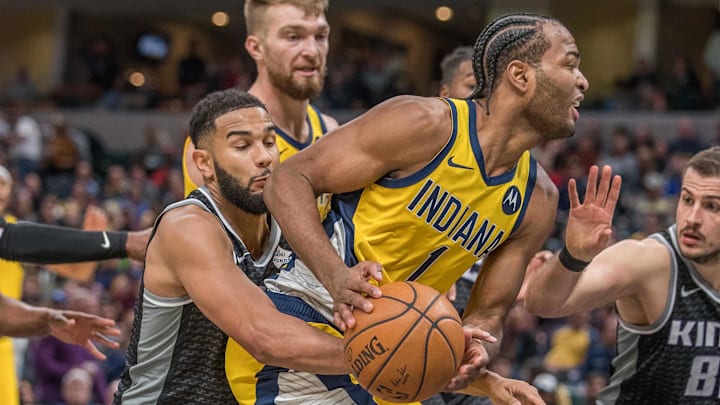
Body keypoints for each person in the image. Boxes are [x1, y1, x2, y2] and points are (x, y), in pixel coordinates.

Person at [261, 11, 590, 398]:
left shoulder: (538, 199)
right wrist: (336, 276)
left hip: (395, 360)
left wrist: (478, 350)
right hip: (309, 319)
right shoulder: (424, 123)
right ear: (520, 76)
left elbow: (489, 315)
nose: (583, 81)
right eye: (570, 64)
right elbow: (287, 180)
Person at [113, 89, 356, 404]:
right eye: (242, 146)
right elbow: (263, 336)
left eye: (270, 143)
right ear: (205, 163)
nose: (264, 157)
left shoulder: (288, 220)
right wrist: (380, 357)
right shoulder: (187, 228)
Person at [524, 146, 720, 404]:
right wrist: (573, 256)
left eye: (712, 206)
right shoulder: (650, 261)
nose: (692, 218)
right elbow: (541, 303)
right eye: (687, 199)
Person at [0, 165, 147, 405]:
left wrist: (90, 243)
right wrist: (105, 242)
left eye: (3, 183)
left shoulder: (17, 230)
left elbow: (80, 272)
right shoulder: (14, 237)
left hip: (9, 331)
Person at [182, 0, 338, 204]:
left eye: (320, 36)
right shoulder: (216, 141)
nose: (312, 51)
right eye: (293, 37)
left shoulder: (330, 130)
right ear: (256, 48)